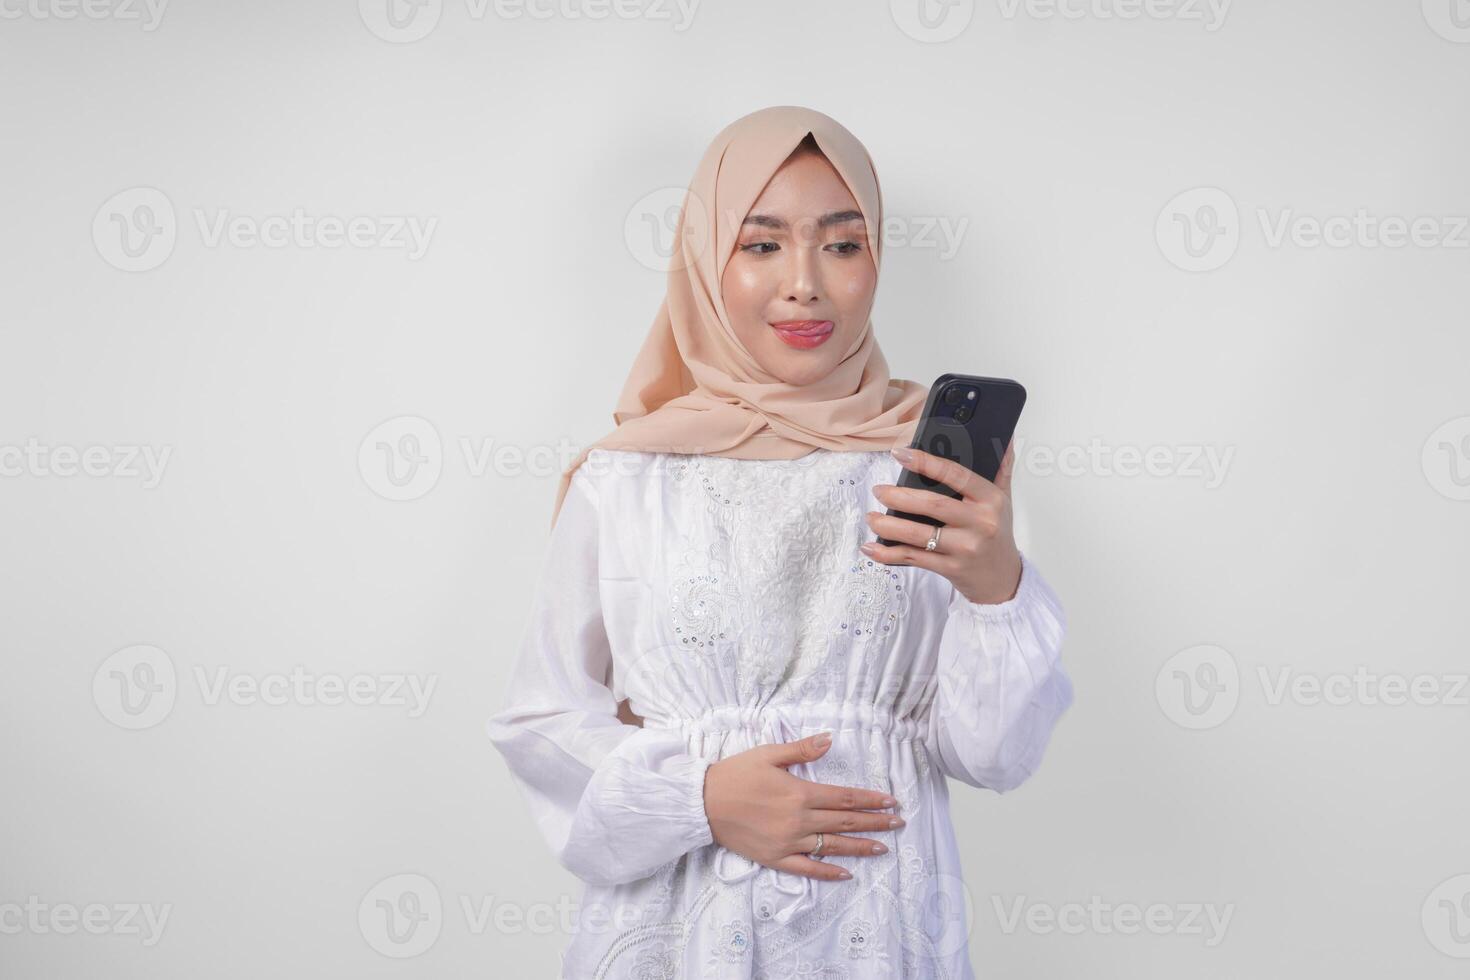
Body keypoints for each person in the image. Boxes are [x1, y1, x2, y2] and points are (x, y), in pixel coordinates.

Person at [486, 104, 1074, 979]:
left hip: (879, 920)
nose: (805, 283)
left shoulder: (932, 468)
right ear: (703, 260)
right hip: (676, 921)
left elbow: (989, 756)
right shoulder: (627, 478)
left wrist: (996, 590)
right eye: (760, 244)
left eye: (842, 244)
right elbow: (541, 719)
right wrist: (700, 797)